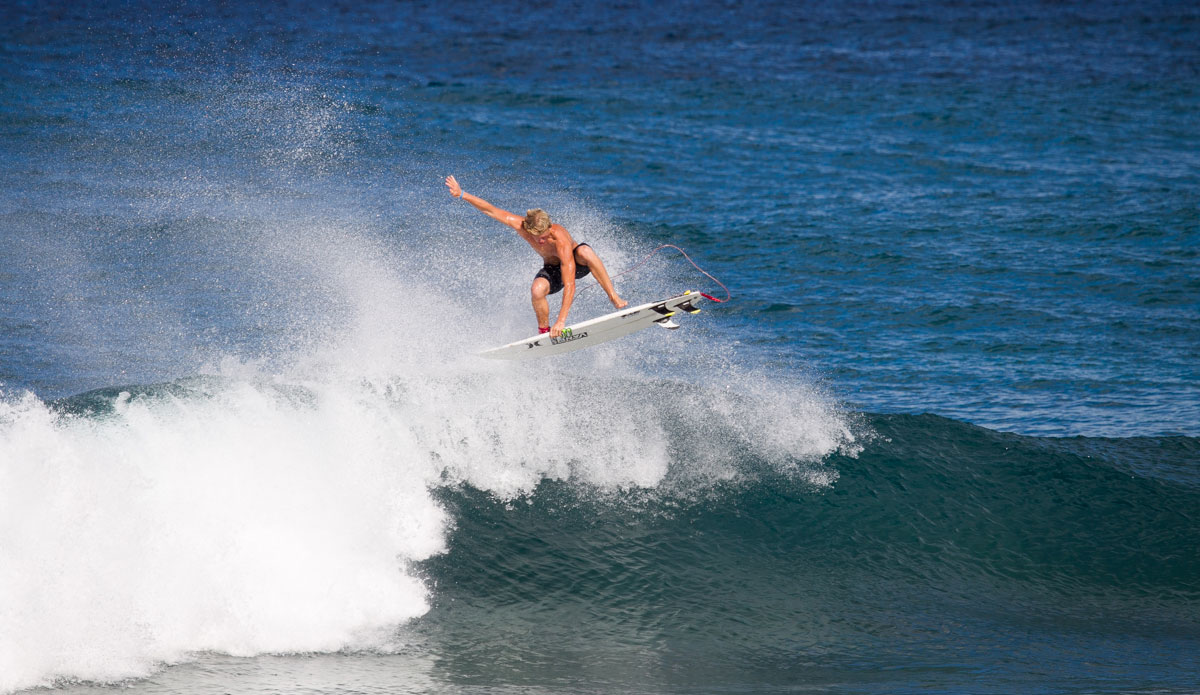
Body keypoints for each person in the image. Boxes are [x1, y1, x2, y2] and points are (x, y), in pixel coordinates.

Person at [445, 175, 626, 337]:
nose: (541, 241)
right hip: (552, 269)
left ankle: (613, 297)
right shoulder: (522, 226)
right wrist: (462, 194)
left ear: (550, 228)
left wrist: (561, 321)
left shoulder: (560, 239)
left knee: (585, 251)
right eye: (536, 237)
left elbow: (570, 283)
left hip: (575, 264)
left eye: (545, 237)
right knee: (536, 290)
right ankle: (544, 332)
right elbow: (491, 210)